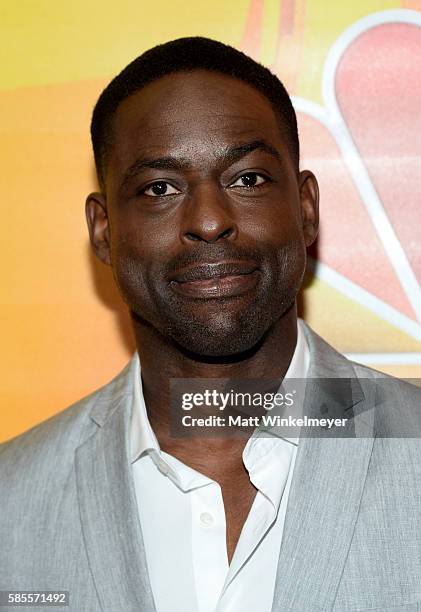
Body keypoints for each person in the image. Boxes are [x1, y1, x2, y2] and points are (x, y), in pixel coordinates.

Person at [1, 37, 420, 612]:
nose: (208, 220)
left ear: (306, 209)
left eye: (247, 179)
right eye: (160, 188)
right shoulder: (11, 501)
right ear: (103, 230)